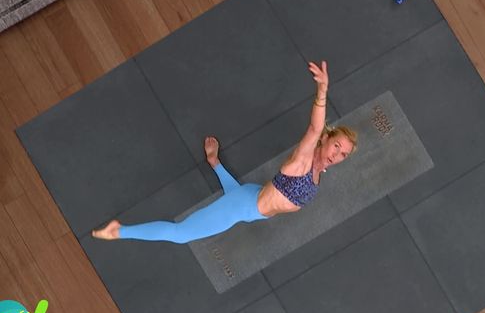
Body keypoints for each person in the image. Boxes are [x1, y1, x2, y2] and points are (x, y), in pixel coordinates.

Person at [92, 61, 358, 243]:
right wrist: (322, 91)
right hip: (242, 207)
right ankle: (119, 231)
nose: (337, 154)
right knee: (180, 235)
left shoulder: (317, 173)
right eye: (337, 146)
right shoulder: (304, 160)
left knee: (239, 194)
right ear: (325, 139)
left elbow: (266, 198)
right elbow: (314, 127)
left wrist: (218, 166)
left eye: (344, 154)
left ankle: (214, 162)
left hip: (250, 201)